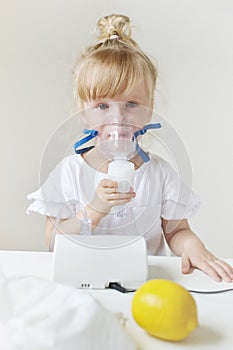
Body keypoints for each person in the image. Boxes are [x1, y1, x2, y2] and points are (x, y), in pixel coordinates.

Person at [27, 13, 233, 282]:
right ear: (83, 113)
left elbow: (176, 231)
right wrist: (95, 209)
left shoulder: (159, 173)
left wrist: (194, 247)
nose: (118, 118)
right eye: (102, 106)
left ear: (149, 111)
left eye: (131, 105)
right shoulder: (69, 173)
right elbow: (54, 241)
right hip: (82, 281)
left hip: (144, 284)